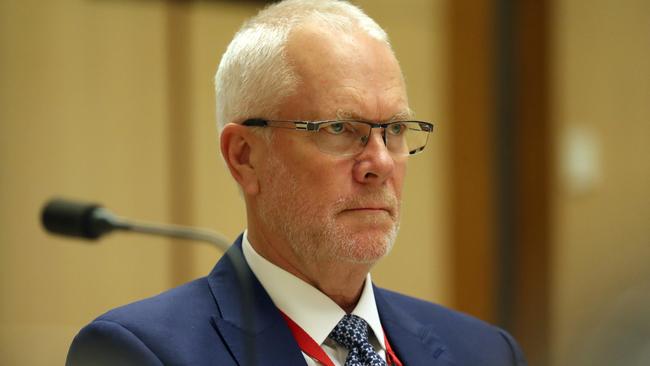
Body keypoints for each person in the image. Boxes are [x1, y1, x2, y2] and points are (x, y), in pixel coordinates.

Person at [66, 1, 528, 365]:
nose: (380, 163)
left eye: (395, 130)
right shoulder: (139, 353)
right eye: (339, 129)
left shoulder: (486, 352)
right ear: (245, 157)